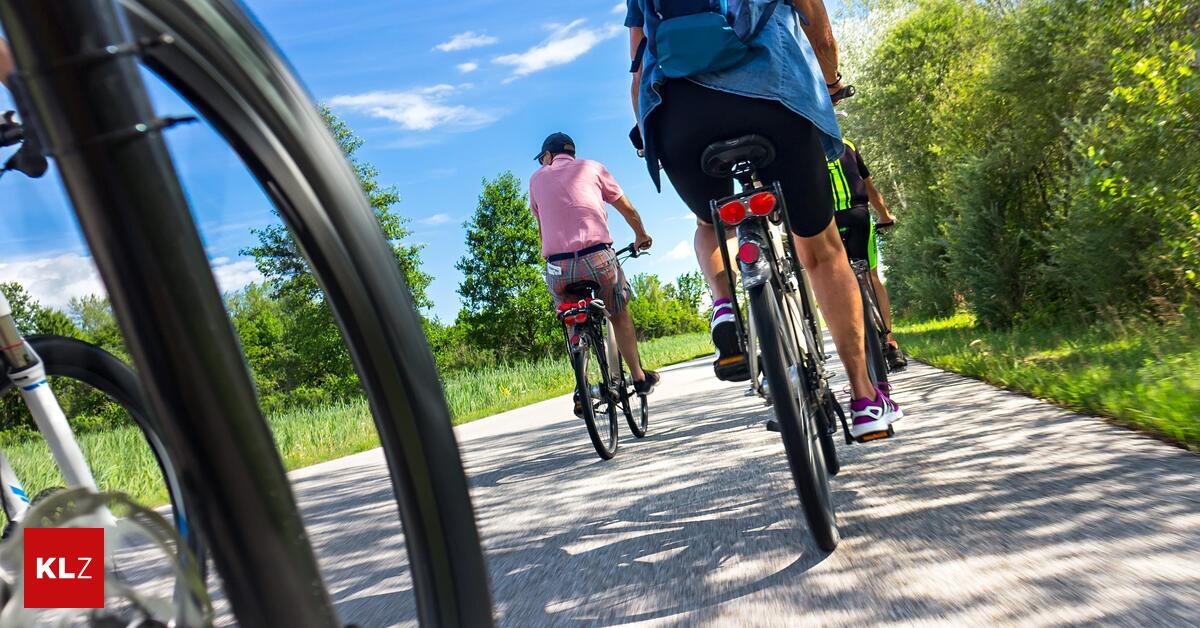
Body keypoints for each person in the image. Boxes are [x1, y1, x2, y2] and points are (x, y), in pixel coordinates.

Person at [624, 0, 901, 437]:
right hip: (775, 99)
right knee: (822, 250)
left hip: (680, 116)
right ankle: (865, 396)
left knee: (710, 224)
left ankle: (723, 305)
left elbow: (639, 70)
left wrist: (648, 132)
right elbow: (822, 35)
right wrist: (829, 84)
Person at [530, 132, 661, 406]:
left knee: (571, 316)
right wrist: (641, 235)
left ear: (550, 155)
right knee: (618, 312)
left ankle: (582, 386)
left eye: (543, 158)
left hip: (558, 267)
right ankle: (638, 377)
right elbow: (628, 210)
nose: (543, 164)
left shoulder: (536, 179)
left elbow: (543, 227)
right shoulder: (593, 168)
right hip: (597, 257)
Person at [828, 138, 908, 371]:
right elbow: (870, 189)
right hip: (858, 214)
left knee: (834, 282)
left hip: (826, 222)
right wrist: (884, 215)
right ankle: (891, 344)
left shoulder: (805, 146)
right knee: (871, 277)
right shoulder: (847, 145)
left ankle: (853, 352)